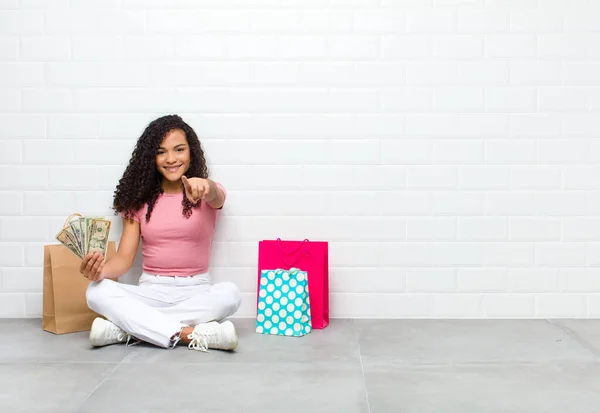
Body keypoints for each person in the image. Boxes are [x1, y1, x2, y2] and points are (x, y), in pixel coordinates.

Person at [81, 114, 241, 352]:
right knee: (96, 291)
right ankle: (190, 335)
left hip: (195, 290)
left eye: (179, 150)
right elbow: (124, 259)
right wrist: (98, 271)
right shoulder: (138, 202)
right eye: (161, 152)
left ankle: (129, 330)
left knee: (231, 294)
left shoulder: (207, 192)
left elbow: (217, 197)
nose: (171, 159)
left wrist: (206, 187)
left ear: (191, 152)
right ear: (151, 158)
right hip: (151, 290)